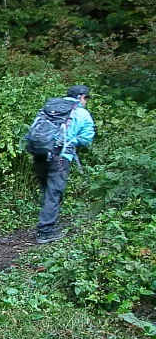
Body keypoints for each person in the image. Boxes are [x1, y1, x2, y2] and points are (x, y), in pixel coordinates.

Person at [33, 84, 95, 244]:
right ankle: (45, 232)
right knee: (54, 192)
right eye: (86, 97)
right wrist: (72, 141)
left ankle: (47, 221)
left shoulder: (50, 108)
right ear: (80, 97)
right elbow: (87, 139)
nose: (87, 101)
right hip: (60, 156)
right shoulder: (82, 113)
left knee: (47, 190)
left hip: (39, 153)